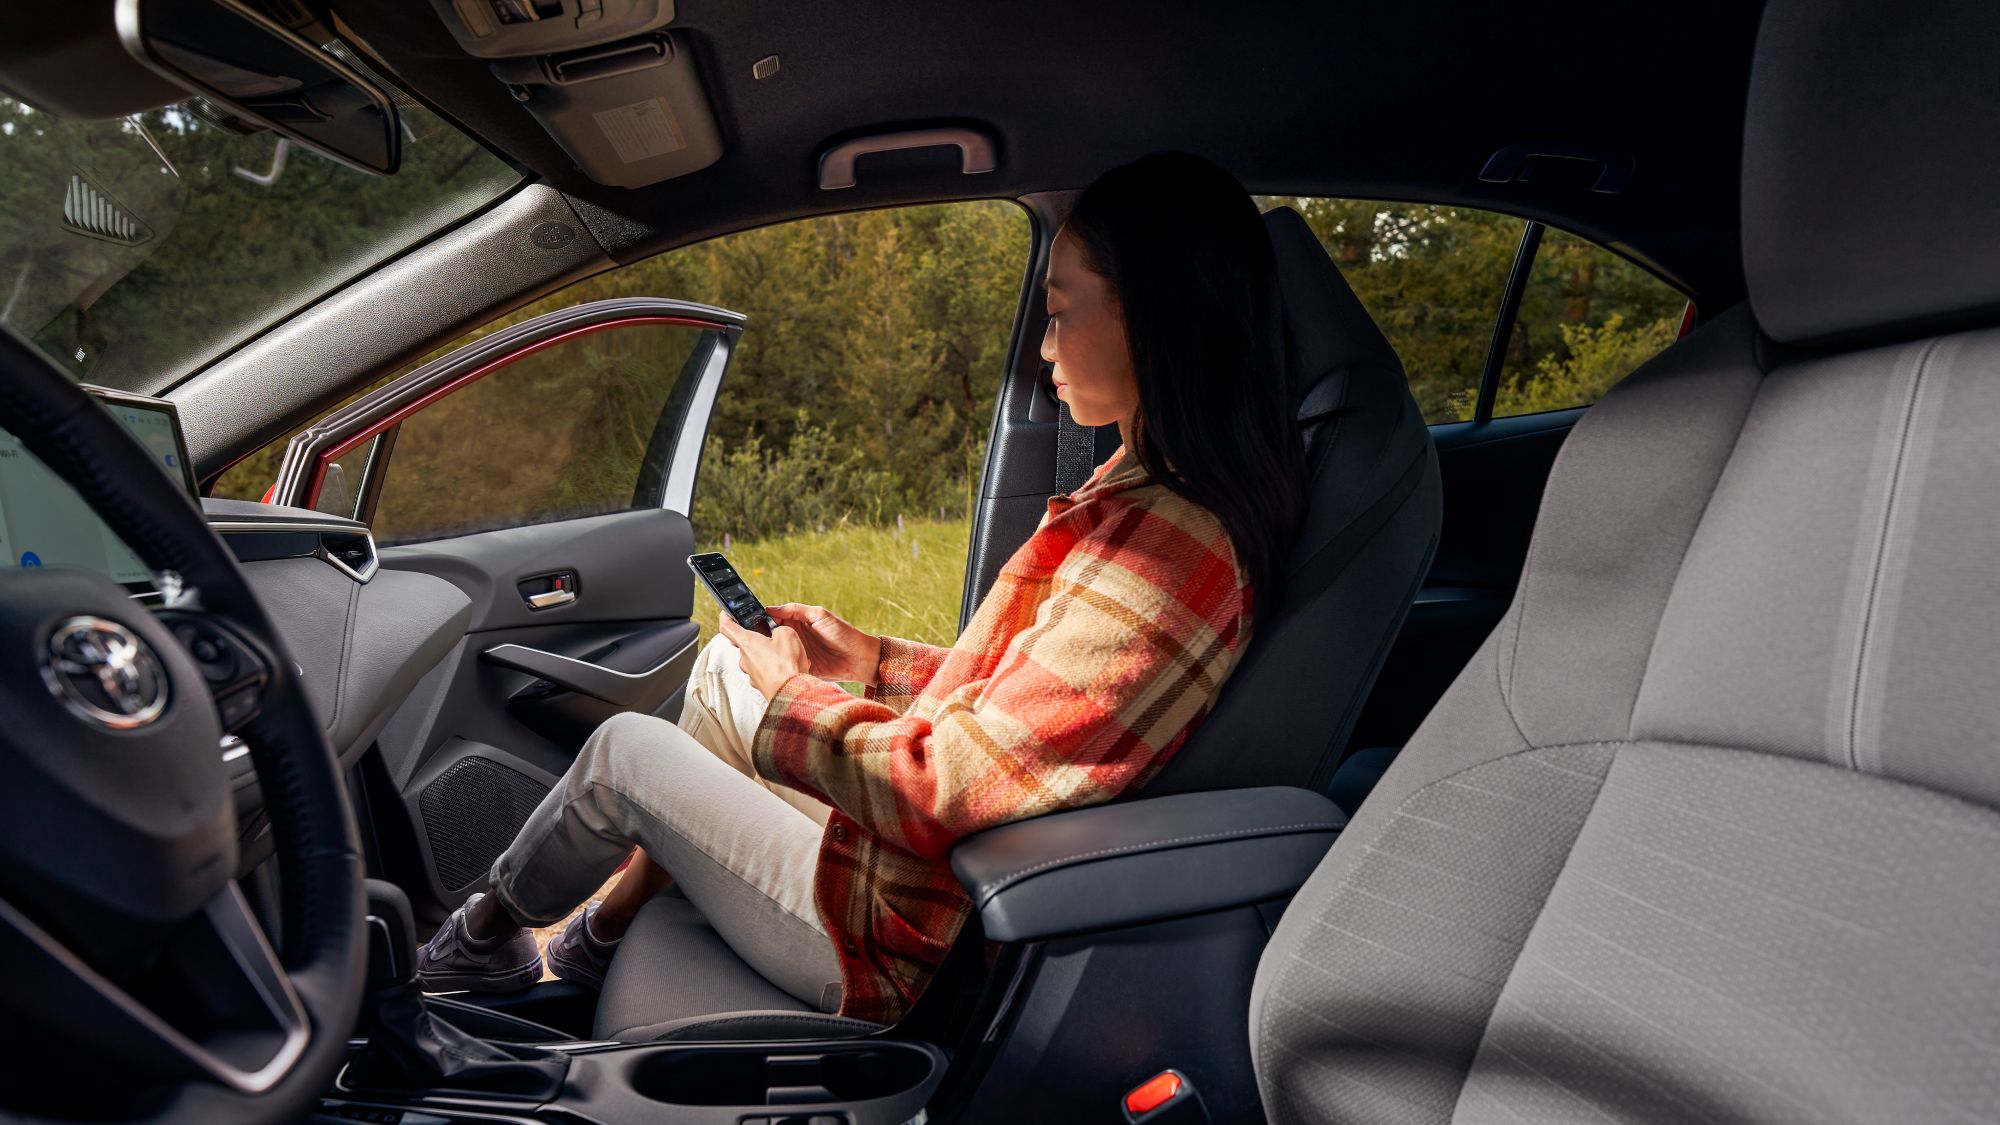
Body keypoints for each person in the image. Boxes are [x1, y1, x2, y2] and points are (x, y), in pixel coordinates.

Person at [414, 150, 1308, 1025]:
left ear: (1150, 316)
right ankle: (600, 936)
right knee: (725, 670)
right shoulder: (1146, 495)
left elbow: (947, 786)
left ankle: (482, 940)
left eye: (1059, 312)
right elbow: (1029, 707)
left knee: (623, 754)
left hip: (901, 937)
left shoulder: (1170, 554)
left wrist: (794, 697)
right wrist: (870, 659)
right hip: (914, 870)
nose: (1042, 349)